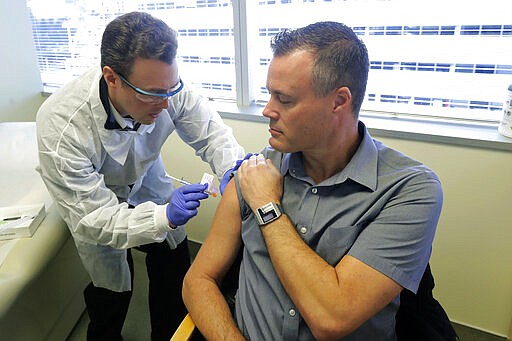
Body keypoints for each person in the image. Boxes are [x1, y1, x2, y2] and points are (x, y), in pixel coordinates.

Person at [182, 21, 444, 340]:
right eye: (269, 94)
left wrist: (267, 207)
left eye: (285, 99)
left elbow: (332, 317)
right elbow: (199, 280)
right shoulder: (257, 170)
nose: (267, 110)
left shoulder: (409, 190)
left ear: (339, 101)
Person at [36, 11, 245, 341]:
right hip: (94, 201)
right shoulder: (61, 127)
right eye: (152, 94)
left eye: (170, 89)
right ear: (111, 77)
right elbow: (96, 218)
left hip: (147, 179)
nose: (165, 103)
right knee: (113, 292)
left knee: (173, 265)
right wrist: (164, 215)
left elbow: (210, 133)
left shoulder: (163, 86)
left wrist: (232, 167)